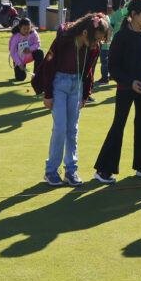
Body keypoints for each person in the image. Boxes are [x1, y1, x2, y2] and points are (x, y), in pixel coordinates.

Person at [33, 12, 111, 187]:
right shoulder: (64, 39)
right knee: (60, 127)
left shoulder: (94, 48)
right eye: (95, 39)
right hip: (58, 83)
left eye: (99, 40)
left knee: (72, 129)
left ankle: (71, 170)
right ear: (85, 33)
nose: (96, 44)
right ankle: (51, 171)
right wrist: (48, 94)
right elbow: (49, 64)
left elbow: (89, 72)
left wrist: (85, 95)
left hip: (77, 86)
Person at [93, 0, 141, 183]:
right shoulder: (121, 36)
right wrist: (130, 83)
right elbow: (113, 67)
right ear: (133, 14)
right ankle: (104, 169)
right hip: (125, 88)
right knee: (119, 125)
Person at [9, 17, 44, 82]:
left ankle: (36, 75)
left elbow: (38, 43)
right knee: (20, 78)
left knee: (40, 52)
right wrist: (19, 64)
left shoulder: (33, 32)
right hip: (20, 58)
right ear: (20, 27)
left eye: (28, 28)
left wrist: (30, 49)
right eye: (24, 29)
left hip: (30, 55)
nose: (26, 31)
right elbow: (13, 52)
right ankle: (20, 73)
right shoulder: (15, 36)